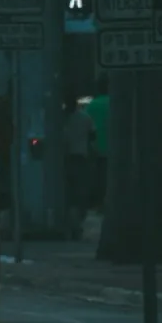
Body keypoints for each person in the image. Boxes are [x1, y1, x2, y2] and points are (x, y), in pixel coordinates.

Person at [63, 97, 95, 230]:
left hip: (64, 158)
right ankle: (77, 220)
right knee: (80, 190)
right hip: (81, 156)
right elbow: (93, 135)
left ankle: (69, 218)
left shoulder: (59, 118)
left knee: (67, 190)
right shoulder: (85, 118)